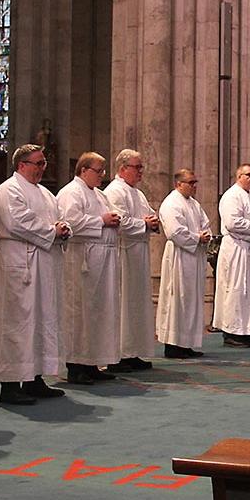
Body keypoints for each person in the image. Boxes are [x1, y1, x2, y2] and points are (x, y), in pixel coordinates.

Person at [0, 144, 69, 405]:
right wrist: (52, 231)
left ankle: (35, 378)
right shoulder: (8, 190)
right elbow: (17, 222)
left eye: (44, 163)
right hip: (17, 262)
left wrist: (62, 228)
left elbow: (57, 219)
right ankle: (10, 385)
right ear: (21, 164)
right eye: (38, 163)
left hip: (42, 262)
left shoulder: (45, 193)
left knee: (40, 319)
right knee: (16, 321)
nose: (43, 168)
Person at [57, 152, 123, 385]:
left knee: (99, 311)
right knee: (80, 312)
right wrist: (102, 221)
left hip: (103, 258)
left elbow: (110, 215)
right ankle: (76, 365)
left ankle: (93, 362)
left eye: (103, 171)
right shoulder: (70, 192)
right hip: (82, 258)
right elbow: (70, 221)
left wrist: (115, 219)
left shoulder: (100, 194)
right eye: (99, 171)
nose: (102, 176)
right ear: (83, 170)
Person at [102, 149, 158, 372]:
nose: (141, 171)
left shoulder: (137, 193)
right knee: (123, 303)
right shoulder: (114, 191)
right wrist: (144, 223)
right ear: (123, 168)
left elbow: (150, 214)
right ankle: (120, 354)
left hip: (138, 254)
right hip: (123, 253)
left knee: (136, 304)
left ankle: (133, 351)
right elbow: (120, 222)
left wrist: (152, 221)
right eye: (137, 167)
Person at [156, 169, 213, 358]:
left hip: (194, 257)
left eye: (196, 182)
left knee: (191, 300)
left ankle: (187, 343)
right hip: (179, 256)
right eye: (191, 182)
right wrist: (198, 237)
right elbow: (174, 232)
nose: (195, 186)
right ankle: (173, 345)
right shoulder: (171, 203)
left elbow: (206, 224)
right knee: (178, 300)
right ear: (178, 184)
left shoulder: (194, 204)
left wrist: (206, 235)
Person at [213, 163, 250, 348]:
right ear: (239, 176)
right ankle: (231, 332)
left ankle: (247, 330)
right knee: (236, 290)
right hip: (236, 250)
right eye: (248, 175)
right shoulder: (231, 196)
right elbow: (232, 223)